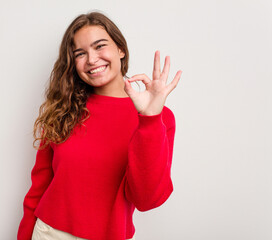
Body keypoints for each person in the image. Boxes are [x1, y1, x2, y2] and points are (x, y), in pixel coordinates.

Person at [17, 11, 182, 240]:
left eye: (100, 46)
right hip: (48, 233)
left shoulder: (159, 118)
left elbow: (146, 199)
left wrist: (149, 119)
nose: (92, 59)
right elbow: (39, 185)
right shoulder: (63, 108)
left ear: (120, 49)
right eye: (80, 53)